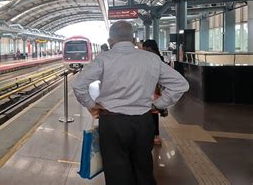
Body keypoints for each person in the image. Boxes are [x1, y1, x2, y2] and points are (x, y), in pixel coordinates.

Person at [72, 21, 189, 185]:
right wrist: (158, 104)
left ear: (110, 40)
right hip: (143, 121)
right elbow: (181, 84)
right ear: (134, 40)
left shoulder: (103, 59)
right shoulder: (151, 59)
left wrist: (91, 105)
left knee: (116, 172)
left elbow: (78, 85)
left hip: (112, 123)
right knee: (143, 169)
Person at [142, 39, 167, 145]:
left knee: (154, 111)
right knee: (149, 111)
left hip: (155, 88)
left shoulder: (158, 59)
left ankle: (156, 135)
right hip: (147, 87)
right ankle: (150, 134)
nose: (146, 51)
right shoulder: (147, 58)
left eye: (147, 49)